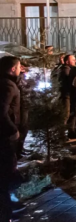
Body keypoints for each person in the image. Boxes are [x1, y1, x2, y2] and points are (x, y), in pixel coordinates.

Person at [0, 57, 21, 222]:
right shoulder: (7, 85)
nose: (21, 69)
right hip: (4, 136)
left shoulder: (6, 82)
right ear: (13, 68)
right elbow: (2, 111)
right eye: (19, 66)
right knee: (7, 170)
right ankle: (6, 210)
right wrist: (12, 130)